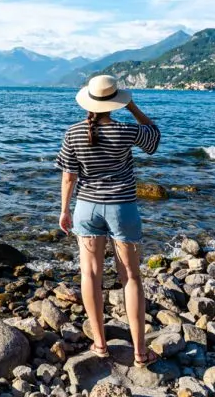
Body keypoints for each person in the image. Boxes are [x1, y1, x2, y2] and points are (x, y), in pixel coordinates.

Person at [56, 74, 162, 366]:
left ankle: (100, 345)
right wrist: (133, 107)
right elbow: (153, 137)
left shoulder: (73, 133)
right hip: (122, 208)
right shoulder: (127, 131)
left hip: (86, 208)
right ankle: (140, 353)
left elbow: (68, 177)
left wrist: (64, 210)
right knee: (130, 277)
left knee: (89, 275)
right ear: (115, 103)